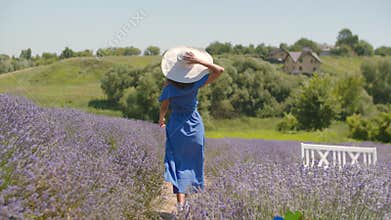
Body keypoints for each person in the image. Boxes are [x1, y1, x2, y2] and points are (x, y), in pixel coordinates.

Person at [158, 47, 224, 212]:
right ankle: (185, 203)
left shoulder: (169, 87)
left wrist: (161, 118)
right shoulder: (195, 84)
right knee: (192, 162)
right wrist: (199, 61)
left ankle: (181, 204)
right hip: (194, 126)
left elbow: (164, 106)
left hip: (176, 126)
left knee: (177, 162)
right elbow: (219, 70)